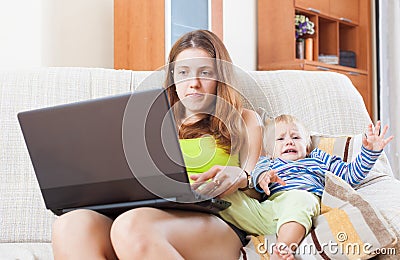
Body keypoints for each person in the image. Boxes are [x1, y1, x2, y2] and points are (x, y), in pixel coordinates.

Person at [51, 29, 263, 259]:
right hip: (144, 214)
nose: (194, 83)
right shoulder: (149, 123)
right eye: (183, 73)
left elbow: (261, 188)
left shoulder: (244, 119)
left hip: (215, 220)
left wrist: (242, 176)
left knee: (131, 226)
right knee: (71, 226)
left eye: (205, 72)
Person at [219, 114, 394, 260]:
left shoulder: (317, 159)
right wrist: (263, 178)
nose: (289, 142)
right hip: (268, 211)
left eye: (295, 137)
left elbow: (350, 176)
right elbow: (255, 175)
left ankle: (283, 249)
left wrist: (370, 152)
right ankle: (199, 199)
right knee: (227, 196)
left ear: (308, 145)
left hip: (301, 204)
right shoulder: (268, 162)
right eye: (280, 139)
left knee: (300, 199)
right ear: (270, 150)